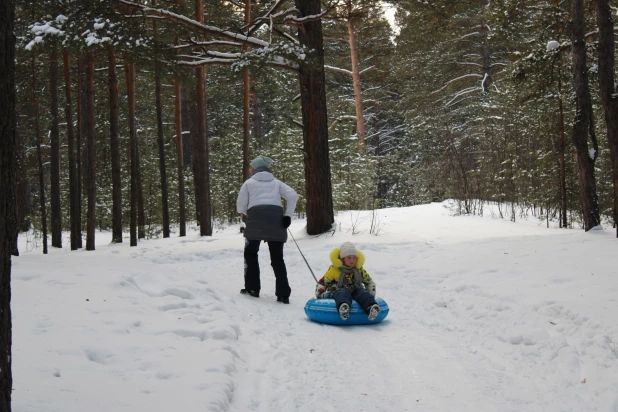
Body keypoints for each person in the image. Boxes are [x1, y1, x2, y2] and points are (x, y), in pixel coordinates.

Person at [236, 156, 299, 304]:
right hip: (276, 222)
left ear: (256, 169)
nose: (250, 170)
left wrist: (250, 213)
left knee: (251, 254)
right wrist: (287, 216)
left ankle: (253, 288)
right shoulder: (277, 183)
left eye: (251, 167)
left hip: (255, 221)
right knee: (277, 258)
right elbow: (293, 195)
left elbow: (240, 206)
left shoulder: (248, 183)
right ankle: (283, 294)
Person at [315, 241, 380, 321]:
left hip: (356, 290)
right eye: (349, 257)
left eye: (354, 257)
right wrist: (320, 293)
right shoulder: (334, 269)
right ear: (342, 259)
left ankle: (372, 308)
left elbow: (369, 281)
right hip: (339, 290)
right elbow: (323, 281)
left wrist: (370, 293)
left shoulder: (359, 270)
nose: (352, 260)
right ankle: (344, 308)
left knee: (363, 293)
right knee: (342, 293)